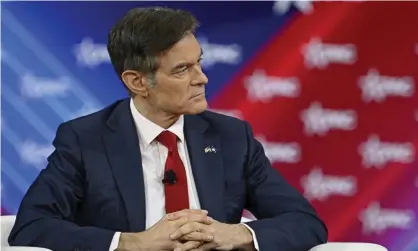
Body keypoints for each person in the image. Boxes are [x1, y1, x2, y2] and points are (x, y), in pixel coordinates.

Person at [8, 6, 328, 251]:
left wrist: (235, 234)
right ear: (137, 81)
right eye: (182, 70)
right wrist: (134, 243)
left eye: (199, 63)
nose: (201, 78)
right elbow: (32, 227)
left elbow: (305, 222)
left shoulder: (231, 138)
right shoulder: (85, 139)